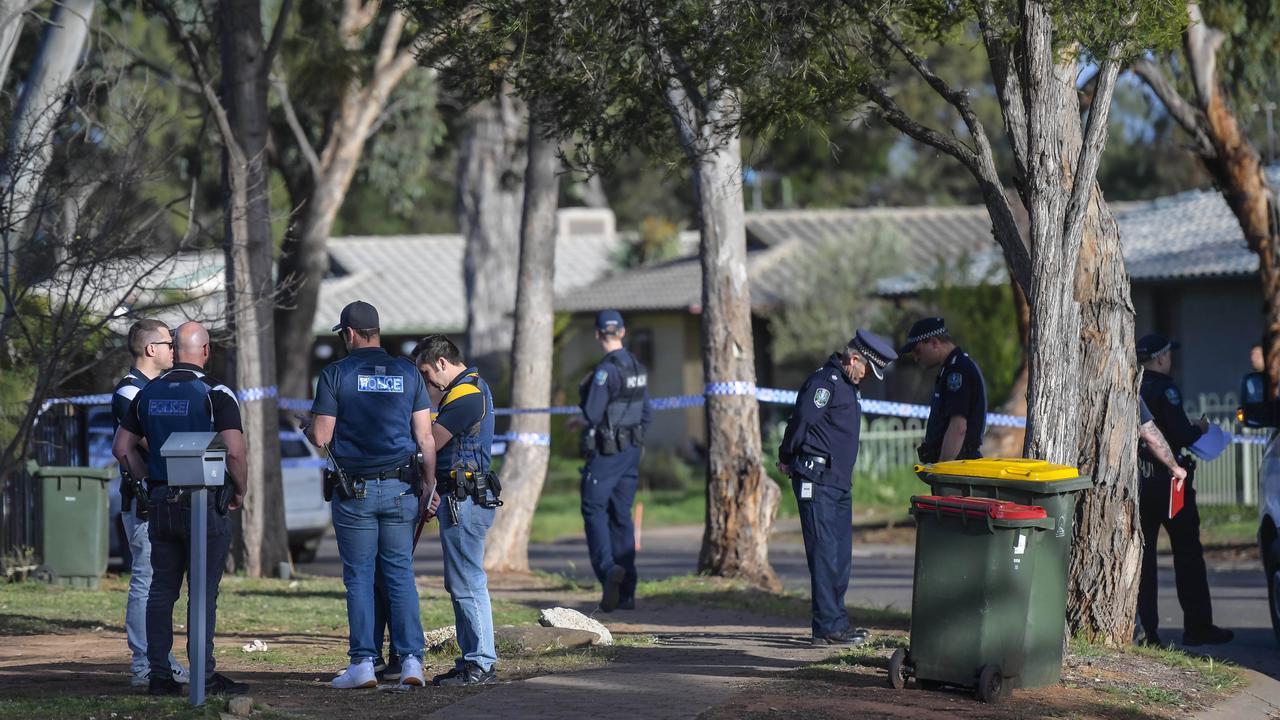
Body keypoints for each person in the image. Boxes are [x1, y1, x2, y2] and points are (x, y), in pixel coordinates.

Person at [111, 321, 248, 696]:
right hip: (204, 502)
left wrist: (148, 481)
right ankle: (203, 675)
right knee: (202, 592)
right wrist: (239, 490)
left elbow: (122, 447)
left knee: (161, 590)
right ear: (205, 351)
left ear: (175, 349)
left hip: (160, 503)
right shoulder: (214, 393)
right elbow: (234, 451)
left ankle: (159, 675)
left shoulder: (148, 392)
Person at [305, 301, 436, 688]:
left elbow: (322, 437)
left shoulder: (335, 374)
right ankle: (412, 661)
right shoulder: (407, 373)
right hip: (402, 489)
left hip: (356, 492)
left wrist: (307, 426)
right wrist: (429, 483)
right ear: (375, 331)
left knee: (360, 577)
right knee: (400, 575)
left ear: (348, 333)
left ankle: (363, 663)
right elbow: (425, 436)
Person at [777, 330, 897, 646]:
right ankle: (827, 627)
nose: (869, 377)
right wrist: (786, 456)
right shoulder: (826, 383)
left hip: (838, 482)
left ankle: (836, 623)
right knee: (824, 552)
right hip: (817, 479)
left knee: (840, 555)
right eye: (868, 370)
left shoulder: (847, 385)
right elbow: (801, 419)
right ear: (854, 359)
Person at [411, 335, 499, 686]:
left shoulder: (466, 394)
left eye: (426, 372)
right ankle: (470, 660)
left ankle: (481, 663)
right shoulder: (462, 391)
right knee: (460, 582)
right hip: (458, 497)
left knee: (467, 582)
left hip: (464, 501)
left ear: (443, 363)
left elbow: (430, 440)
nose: (426, 381)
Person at [1135, 333, 1233, 647]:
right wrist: (1200, 428)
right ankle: (1198, 626)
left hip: (1139, 481)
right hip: (1170, 480)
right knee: (1187, 552)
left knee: (1144, 557)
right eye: (1168, 356)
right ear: (1161, 358)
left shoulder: (1133, 387)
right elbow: (1180, 434)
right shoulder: (1166, 389)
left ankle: (1146, 631)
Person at [113, 319, 187, 689]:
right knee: (146, 580)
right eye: (168, 343)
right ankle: (143, 663)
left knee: (160, 581)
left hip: (162, 499)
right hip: (143, 502)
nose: (174, 349)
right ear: (150, 349)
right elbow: (151, 443)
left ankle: (160, 658)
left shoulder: (154, 390)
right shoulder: (131, 392)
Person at [577, 310, 651, 612]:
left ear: (597, 335)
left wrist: (578, 420)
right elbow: (647, 413)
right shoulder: (636, 365)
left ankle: (608, 570)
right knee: (621, 515)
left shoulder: (606, 371)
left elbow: (593, 414)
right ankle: (627, 592)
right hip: (631, 451)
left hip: (606, 452)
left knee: (593, 508)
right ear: (622, 332)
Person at [898, 317, 988, 463]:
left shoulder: (958, 370)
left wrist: (942, 469)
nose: (916, 358)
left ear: (934, 343)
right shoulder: (950, 368)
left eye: (918, 351)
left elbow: (958, 427)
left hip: (957, 466)